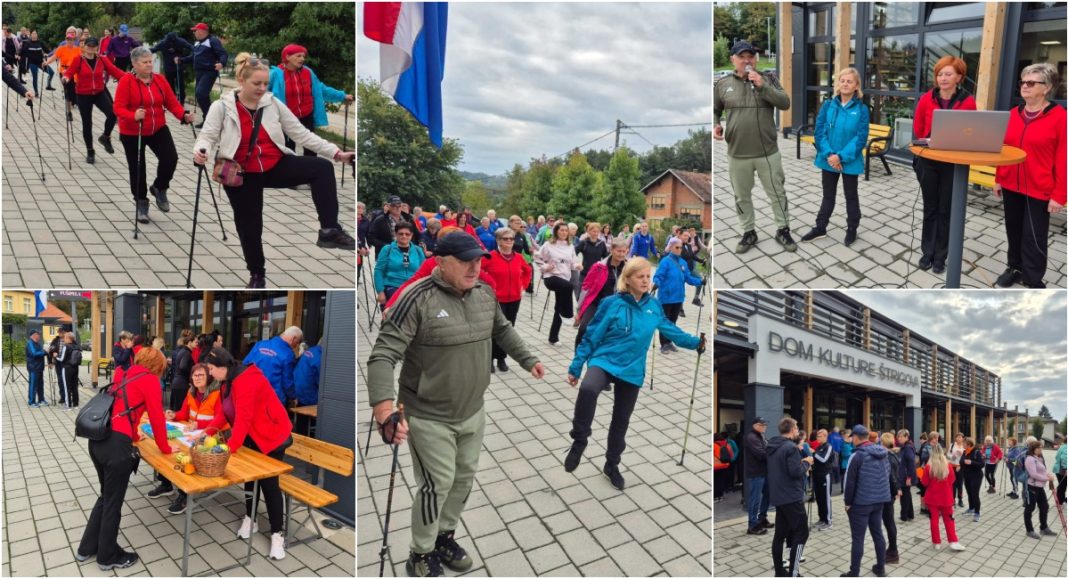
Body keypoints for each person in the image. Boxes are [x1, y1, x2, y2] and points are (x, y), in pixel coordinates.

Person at [367, 232, 545, 576]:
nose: (475, 267)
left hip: (472, 410)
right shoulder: (416, 298)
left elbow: (502, 329)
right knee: (438, 482)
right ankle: (419, 552)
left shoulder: (483, 294)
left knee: (463, 479)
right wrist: (384, 410)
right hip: (427, 413)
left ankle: (443, 536)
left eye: (478, 260)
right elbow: (382, 356)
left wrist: (527, 358)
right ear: (441, 262)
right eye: (466, 261)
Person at [192, 53, 356, 288]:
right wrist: (201, 151)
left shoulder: (272, 104)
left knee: (321, 167)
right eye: (256, 83)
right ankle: (257, 275)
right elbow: (207, 136)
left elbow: (301, 134)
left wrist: (337, 153)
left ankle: (329, 229)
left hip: (274, 165)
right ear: (241, 80)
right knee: (250, 227)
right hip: (241, 174)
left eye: (265, 84)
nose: (262, 88)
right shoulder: (222, 107)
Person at [566, 257, 703, 490]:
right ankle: (580, 440)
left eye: (648, 276)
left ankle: (611, 464)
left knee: (621, 420)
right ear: (627, 279)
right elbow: (592, 335)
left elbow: (671, 330)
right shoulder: (611, 303)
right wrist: (576, 366)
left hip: (632, 369)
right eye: (640, 276)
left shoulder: (653, 306)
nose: (646, 281)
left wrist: (696, 342)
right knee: (588, 388)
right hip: (605, 360)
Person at [77, 347, 175, 570]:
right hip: (115, 448)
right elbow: (158, 419)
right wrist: (166, 448)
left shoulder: (124, 373)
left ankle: (87, 548)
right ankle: (108, 556)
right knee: (113, 502)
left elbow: (122, 408)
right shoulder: (150, 380)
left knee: (105, 496)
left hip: (98, 440)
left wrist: (133, 433)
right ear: (158, 366)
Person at [203, 347, 293, 560]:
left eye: (211, 369)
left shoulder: (246, 380)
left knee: (270, 484)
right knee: (250, 480)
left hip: (272, 436)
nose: (209, 373)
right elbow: (224, 413)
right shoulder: (227, 382)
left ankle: (277, 535)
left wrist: (229, 449)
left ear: (223, 367)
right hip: (254, 436)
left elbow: (243, 419)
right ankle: (250, 519)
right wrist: (206, 434)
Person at [714, 40, 795, 254]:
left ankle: (783, 229)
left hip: (768, 152)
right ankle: (749, 231)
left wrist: (762, 85)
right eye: (742, 57)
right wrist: (715, 124)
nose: (748, 60)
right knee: (742, 196)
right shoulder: (722, 84)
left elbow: (785, 103)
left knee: (777, 192)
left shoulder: (768, 79)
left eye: (751, 56)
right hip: (738, 154)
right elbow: (715, 109)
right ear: (733, 60)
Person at [993, 62, 1066, 288]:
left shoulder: (1060, 118)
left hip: (1039, 188)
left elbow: (1064, 159)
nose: (1025, 86)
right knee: (1013, 231)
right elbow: (1002, 148)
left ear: (1046, 87)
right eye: (1023, 82)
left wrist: (1060, 194)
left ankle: (1033, 279)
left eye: (1031, 82)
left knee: (1033, 237)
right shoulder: (1012, 114)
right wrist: (998, 177)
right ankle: (1014, 267)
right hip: (1010, 184)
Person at [912, 56, 977, 274]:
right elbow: (919, 128)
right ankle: (927, 252)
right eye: (940, 74)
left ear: (959, 77)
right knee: (930, 208)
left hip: (952, 164)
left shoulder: (968, 101)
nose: (943, 78)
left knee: (945, 211)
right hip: (928, 161)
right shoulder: (926, 99)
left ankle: (941, 256)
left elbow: (970, 131)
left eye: (948, 74)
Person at [114, 46, 194, 222]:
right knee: (138, 167)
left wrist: (183, 115)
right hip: (133, 131)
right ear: (134, 64)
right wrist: (133, 115)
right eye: (145, 62)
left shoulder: (159, 80)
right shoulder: (126, 81)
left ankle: (160, 187)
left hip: (157, 127)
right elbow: (118, 108)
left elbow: (171, 102)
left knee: (170, 158)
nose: (149, 65)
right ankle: (141, 202)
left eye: (151, 61)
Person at [800, 67, 869, 246]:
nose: (845, 84)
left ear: (856, 86)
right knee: (828, 195)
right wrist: (830, 154)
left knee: (851, 195)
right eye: (842, 81)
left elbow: (860, 138)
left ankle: (852, 228)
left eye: (849, 81)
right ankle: (820, 227)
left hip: (849, 160)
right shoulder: (828, 105)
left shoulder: (862, 109)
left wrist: (841, 157)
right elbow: (819, 131)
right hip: (828, 158)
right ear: (838, 84)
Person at [267, 44, 353, 156]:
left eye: (303, 56)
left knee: (312, 149)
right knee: (287, 150)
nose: (302, 59)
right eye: (298, 56)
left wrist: (342, 96)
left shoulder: (308, 72)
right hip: (286, 117)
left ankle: (310, 172)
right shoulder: (275, 74)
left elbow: (321, 89)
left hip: (306, 116)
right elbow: (263, 91)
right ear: (287, 57)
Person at [62, 37, 123, 165]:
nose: (91, 48)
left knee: (113, 114)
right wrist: (66, 78)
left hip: (99, 93)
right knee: (87, 123)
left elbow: (115, 71)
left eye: (93, 46)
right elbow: (69, 72)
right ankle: (90, 151)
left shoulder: (102, 59)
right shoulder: (78, 60)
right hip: (83, 95)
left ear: (97, 48)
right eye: (88, 46)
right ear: (84, 47)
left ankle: (105, 137)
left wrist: (129, 77)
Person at [766, 417, 813, 577]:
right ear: (792, 429)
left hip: (779, 495)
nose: (798, 430)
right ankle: (793, 573)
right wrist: (807, 462)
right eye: (797, 427)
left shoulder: (772, 445)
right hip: (791, 497)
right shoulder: (791, 448)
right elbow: (796, 472)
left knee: (780, 534)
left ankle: (779, 572)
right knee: (802, 532)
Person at [841, 424, 889, 577]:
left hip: (861, 503)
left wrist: (847, 503)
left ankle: (854, 573)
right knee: (878, 534)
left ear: (855, 437)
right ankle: (880, 568)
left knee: (858, 538)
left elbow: (849, 481)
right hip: (879, 501)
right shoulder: (883, 453)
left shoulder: (857, 455)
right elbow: (886, 474)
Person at [484, 227, 533, 373]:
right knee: (494, 330)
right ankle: (490, 359)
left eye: (511, 239)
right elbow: (478, 270)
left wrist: (523, 286)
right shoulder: (490, 256)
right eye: (506, 239)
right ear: (498, 240)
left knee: (508, 329)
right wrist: (489, 287)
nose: (509, 241)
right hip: (497, 299)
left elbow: (528, 270)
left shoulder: (518, 257)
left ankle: (501, 358)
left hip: (514, 298)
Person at [574, 237, 628, 348]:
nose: (621, 254)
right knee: (584, 328)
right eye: (619, 251)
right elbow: (586, 288)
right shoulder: (599, 267)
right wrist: (579, 311)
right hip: (596, 303)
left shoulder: (628, 268)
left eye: (624, 251)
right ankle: (578, 354)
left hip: (616, 306)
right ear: (612, 250)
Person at [652, 238, 703, 353]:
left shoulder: (683, 263)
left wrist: (700, 281)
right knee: (665, 322)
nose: (679, 250)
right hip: (666, 297)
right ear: (670, 248)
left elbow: (688, 278)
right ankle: (664, 344)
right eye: (677, 247)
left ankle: (670, 342)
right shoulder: (665, 261)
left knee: (673, 321)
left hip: (678, 297)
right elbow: (658, 276)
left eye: (680, 247)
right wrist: (656, 283)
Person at [536, 223, 582, 345]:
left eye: (566, 231)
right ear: (556, 231)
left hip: (564, 278)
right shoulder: (548, 245)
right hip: (551, 277)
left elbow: (572, 263)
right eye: (561, 230)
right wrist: (545, 267)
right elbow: (537, 258)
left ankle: (553, 337)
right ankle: (568, 315)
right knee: (569, 287)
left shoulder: (570, 246)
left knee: (559, 307)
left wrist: (577, 266)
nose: (564, 233)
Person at [918, 443, 965, 551]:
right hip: (946, 497)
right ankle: (953, 541)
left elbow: (924, 483)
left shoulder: (929, 467)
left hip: (932, 498)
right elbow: (952, 480)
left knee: (933, 520)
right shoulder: (947, 465)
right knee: (949, 519)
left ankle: (936, 542)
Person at [180, 22, 227, 127]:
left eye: (195, 30)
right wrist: (181, 60)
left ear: (202, 31)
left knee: (201, 93)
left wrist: (222, 63)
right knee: (200, 95)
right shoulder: (197, 43)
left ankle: (211, 119)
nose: (194, 32)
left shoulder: (212, 41)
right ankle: (209, 119)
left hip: (209, 71)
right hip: (199, 72)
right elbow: (193, 57)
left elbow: (223, 53)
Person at [242, 326, 301, 406]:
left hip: (252, 394)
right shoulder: (288, 355)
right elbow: (287, 382)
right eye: (297, 342)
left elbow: (245, 365)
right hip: (273, 400)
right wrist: (294, 397)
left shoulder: (260, 344)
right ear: (293, 338)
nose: (296, 346)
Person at [374, 222, 427, 303]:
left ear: (411, 235)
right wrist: (380, 292)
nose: (404, 236)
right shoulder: (387, 249)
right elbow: (378, 271)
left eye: (407, 234)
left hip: (413, 289)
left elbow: (424, 272)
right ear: (396, 234)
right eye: (401, 234)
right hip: (392, 288)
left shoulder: (418, 250)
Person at [1022, 439, 1057, 539]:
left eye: (1041, 447)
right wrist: (1047, 478)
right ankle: (1029, 530)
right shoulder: (1029, 459)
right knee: (1030, 508)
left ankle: (1043, 528)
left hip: (1040, 487)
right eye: (1040, 447)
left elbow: (1042, 471)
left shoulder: (1039, 458)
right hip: (1032, 486)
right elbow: (1033, 474)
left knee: (1044, 506)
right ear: (1034, 449)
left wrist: (1048, 475)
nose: (1041, 449)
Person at [43, 28, 80, 119]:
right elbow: (54, 57)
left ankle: (72, 104)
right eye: (68, 39)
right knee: (67, 92)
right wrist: (47, 62)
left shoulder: (78, 50)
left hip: (74, 74)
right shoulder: (61, 48)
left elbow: (82, 59)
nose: (69, 41)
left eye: (71, 39)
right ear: (66, 39)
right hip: (64, 73)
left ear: (73, 40)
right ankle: (69, 112)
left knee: (73, 93)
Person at [744, 417, 773, 535]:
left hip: (764, 472)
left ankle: (762, 518)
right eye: (762, 424)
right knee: (755, 499)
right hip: (756, 473)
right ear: (755, 425)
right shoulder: (751, 437)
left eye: (765, 424)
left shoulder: (761, 436)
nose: (765, 426)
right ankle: (752, 525)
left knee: (768, 494)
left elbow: (768, 449)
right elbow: (761, 454)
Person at [149, 31, 193, 106]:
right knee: (172, 84)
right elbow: (153, 50)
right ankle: (175, 101)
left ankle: (180, 101)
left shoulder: (169, 42)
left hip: (178, 65)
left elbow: (191, 48)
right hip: (171, 66)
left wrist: (184, 58)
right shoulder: (167, 42)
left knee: (178, 84)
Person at [879, 432, 901, 564]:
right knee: (889, 522)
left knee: (889, 523)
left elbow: (891, 477)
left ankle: (893, 552)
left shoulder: (887, 456)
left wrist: (894, 492)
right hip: (889, 493)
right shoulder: (893, 454)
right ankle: (892, 550)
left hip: (887, 494)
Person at [812, 428, 835, 531]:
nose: (817, 438)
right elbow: (815, 460)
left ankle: (828, 521)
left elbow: (823, 459)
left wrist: (813, 453)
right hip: (817, 476)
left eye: (819, 436)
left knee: (826, 498)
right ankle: (821, 519)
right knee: (819, 498)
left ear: (825, 436)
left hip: (825, 476)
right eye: (817, 436)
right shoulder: (819, 447)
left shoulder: (828, 447)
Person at [959, 436, 985, 521]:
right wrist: (961, 465)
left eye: (964, 443)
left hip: (976, 476)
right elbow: (961, 461)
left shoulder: (976, 452)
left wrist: (971, 462)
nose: (962, 444)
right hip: (967, 476)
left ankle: (977, 513)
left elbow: (982, 464)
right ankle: (971, 508)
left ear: (969, 444)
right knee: (969, 493)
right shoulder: (964, 452)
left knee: (975, 494)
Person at [56, 332, 82, 410]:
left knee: (67, 386)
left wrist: (56, 357)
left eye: (65, 337)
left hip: (67, 368)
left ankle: (68, 405)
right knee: (74, 386)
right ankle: (76, 404)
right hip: (75, 368)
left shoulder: (66, 347)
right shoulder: (77, 346)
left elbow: (62, 359)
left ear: (68, 338)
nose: (64, 339)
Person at [168, 335, 194, 411]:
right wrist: (192, 372)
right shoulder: (186, 353)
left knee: (176, 409)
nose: (197, 344)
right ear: (189, 343)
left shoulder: (183, 351)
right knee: (180, 409)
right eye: (195, 342)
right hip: (181, 383)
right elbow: (183, 366)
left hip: (177, 382)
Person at [897, 429, 916, 522]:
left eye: (901, 436)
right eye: (898, 436)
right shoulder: (905, 446)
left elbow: (911, 463)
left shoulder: (908, 447)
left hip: (906, 476)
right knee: (907, 495)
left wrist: (909, 477)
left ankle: (904, 516)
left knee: (904, 496)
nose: (899, 438)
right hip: (905, 475)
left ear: (906, 437)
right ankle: (910, 514)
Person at [25, 330, 47, 407]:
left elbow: (40, 351)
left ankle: (41, 400)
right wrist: (44, 352)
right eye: (38, 334)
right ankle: (31, 402)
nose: (39, 336)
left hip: (40, 367)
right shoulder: (30, 343)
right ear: (33, 335)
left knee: (40, 385)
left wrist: (44, 351)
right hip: (33, 367)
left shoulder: (37, 343)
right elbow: (34, 354)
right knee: (33, 385)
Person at [949, 433, 966, 507]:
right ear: (955, 438)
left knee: (960, 484)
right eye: (957, 437)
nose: (959, 438)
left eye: (960, 437)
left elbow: (966, 457)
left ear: (962, 438)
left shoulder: (964, 446)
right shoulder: (952, 445)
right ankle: (953, 500)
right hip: (952, 466)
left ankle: (960, 499)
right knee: (953, 483)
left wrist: (962, 453)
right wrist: (953, 456)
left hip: (960, 467)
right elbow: (948, 454)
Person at [1053, 434, 1066, 506]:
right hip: (1062, 470)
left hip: (1058, 469)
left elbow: (1056, 457)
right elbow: (1064, 458)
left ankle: (1061, 499)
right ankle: (1059, 501)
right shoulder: (1066, 447)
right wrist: (1066, 468)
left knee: (1062, 485)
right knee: (1062, 485)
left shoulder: (1062, 446)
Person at [840, 428, 854, 493]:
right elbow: (846, 455)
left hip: (847, 464)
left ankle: (844, 489)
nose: (851, 438)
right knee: (845, 478)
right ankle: (843, 489)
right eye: (849, 437)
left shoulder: (849, 445)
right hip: (845, 464)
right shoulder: (845, 445)